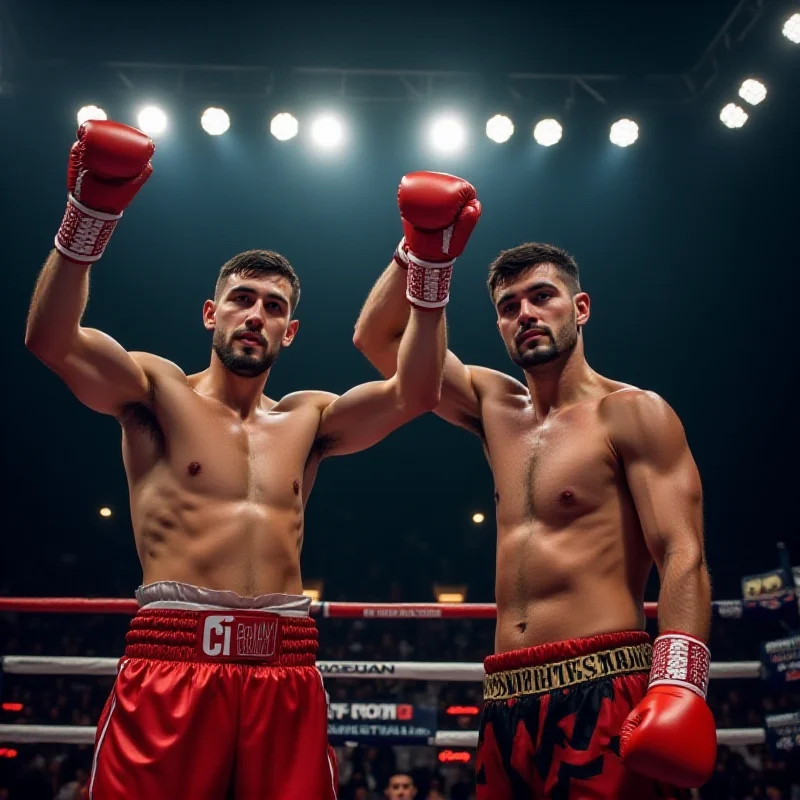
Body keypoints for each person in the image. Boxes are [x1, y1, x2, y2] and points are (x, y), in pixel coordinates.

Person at [24, 122, 478, 800]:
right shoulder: (156, 390)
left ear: (289, 332)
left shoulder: (309, 418)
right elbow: (52, 340)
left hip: (284, 665)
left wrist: (427, 266)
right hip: (173, 659)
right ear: (211, 313)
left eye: (273, 307)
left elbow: (416, 393)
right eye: (241, 299)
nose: (255, 316)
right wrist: (89, 215)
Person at [353, 172, 716, 799]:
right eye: (507, 306)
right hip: (506, 696)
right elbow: (378, 338)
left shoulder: (631, 413)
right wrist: (422, 252)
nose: (525, 313)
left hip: (606, 682)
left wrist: (678, 684)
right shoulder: (495, 406)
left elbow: (682, 553)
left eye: (541, 296)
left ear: (580, 308)